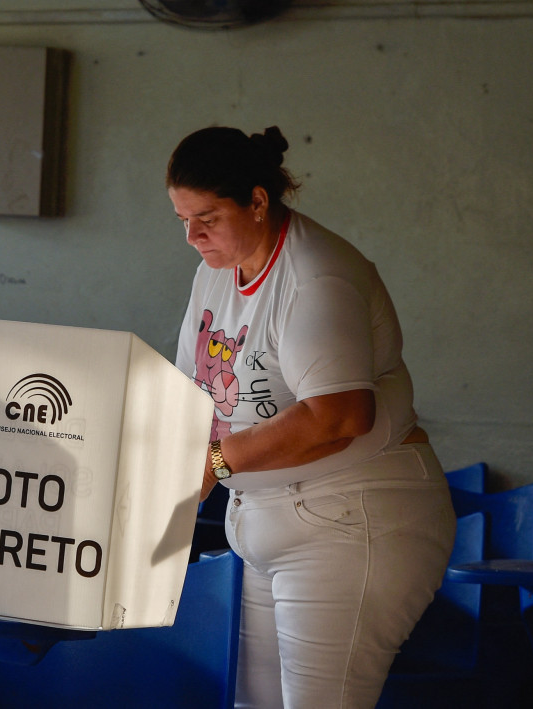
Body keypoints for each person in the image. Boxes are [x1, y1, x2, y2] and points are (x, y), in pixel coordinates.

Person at [167, 125, 456, 708]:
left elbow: (340, 414)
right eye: (182, 219)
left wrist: (216, 462)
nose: (193, 236)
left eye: (208, 217)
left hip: (351, 521)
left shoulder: (315, 272)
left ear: (256, 201)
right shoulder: (214, 273)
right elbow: (192, 395)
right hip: (268, 524)